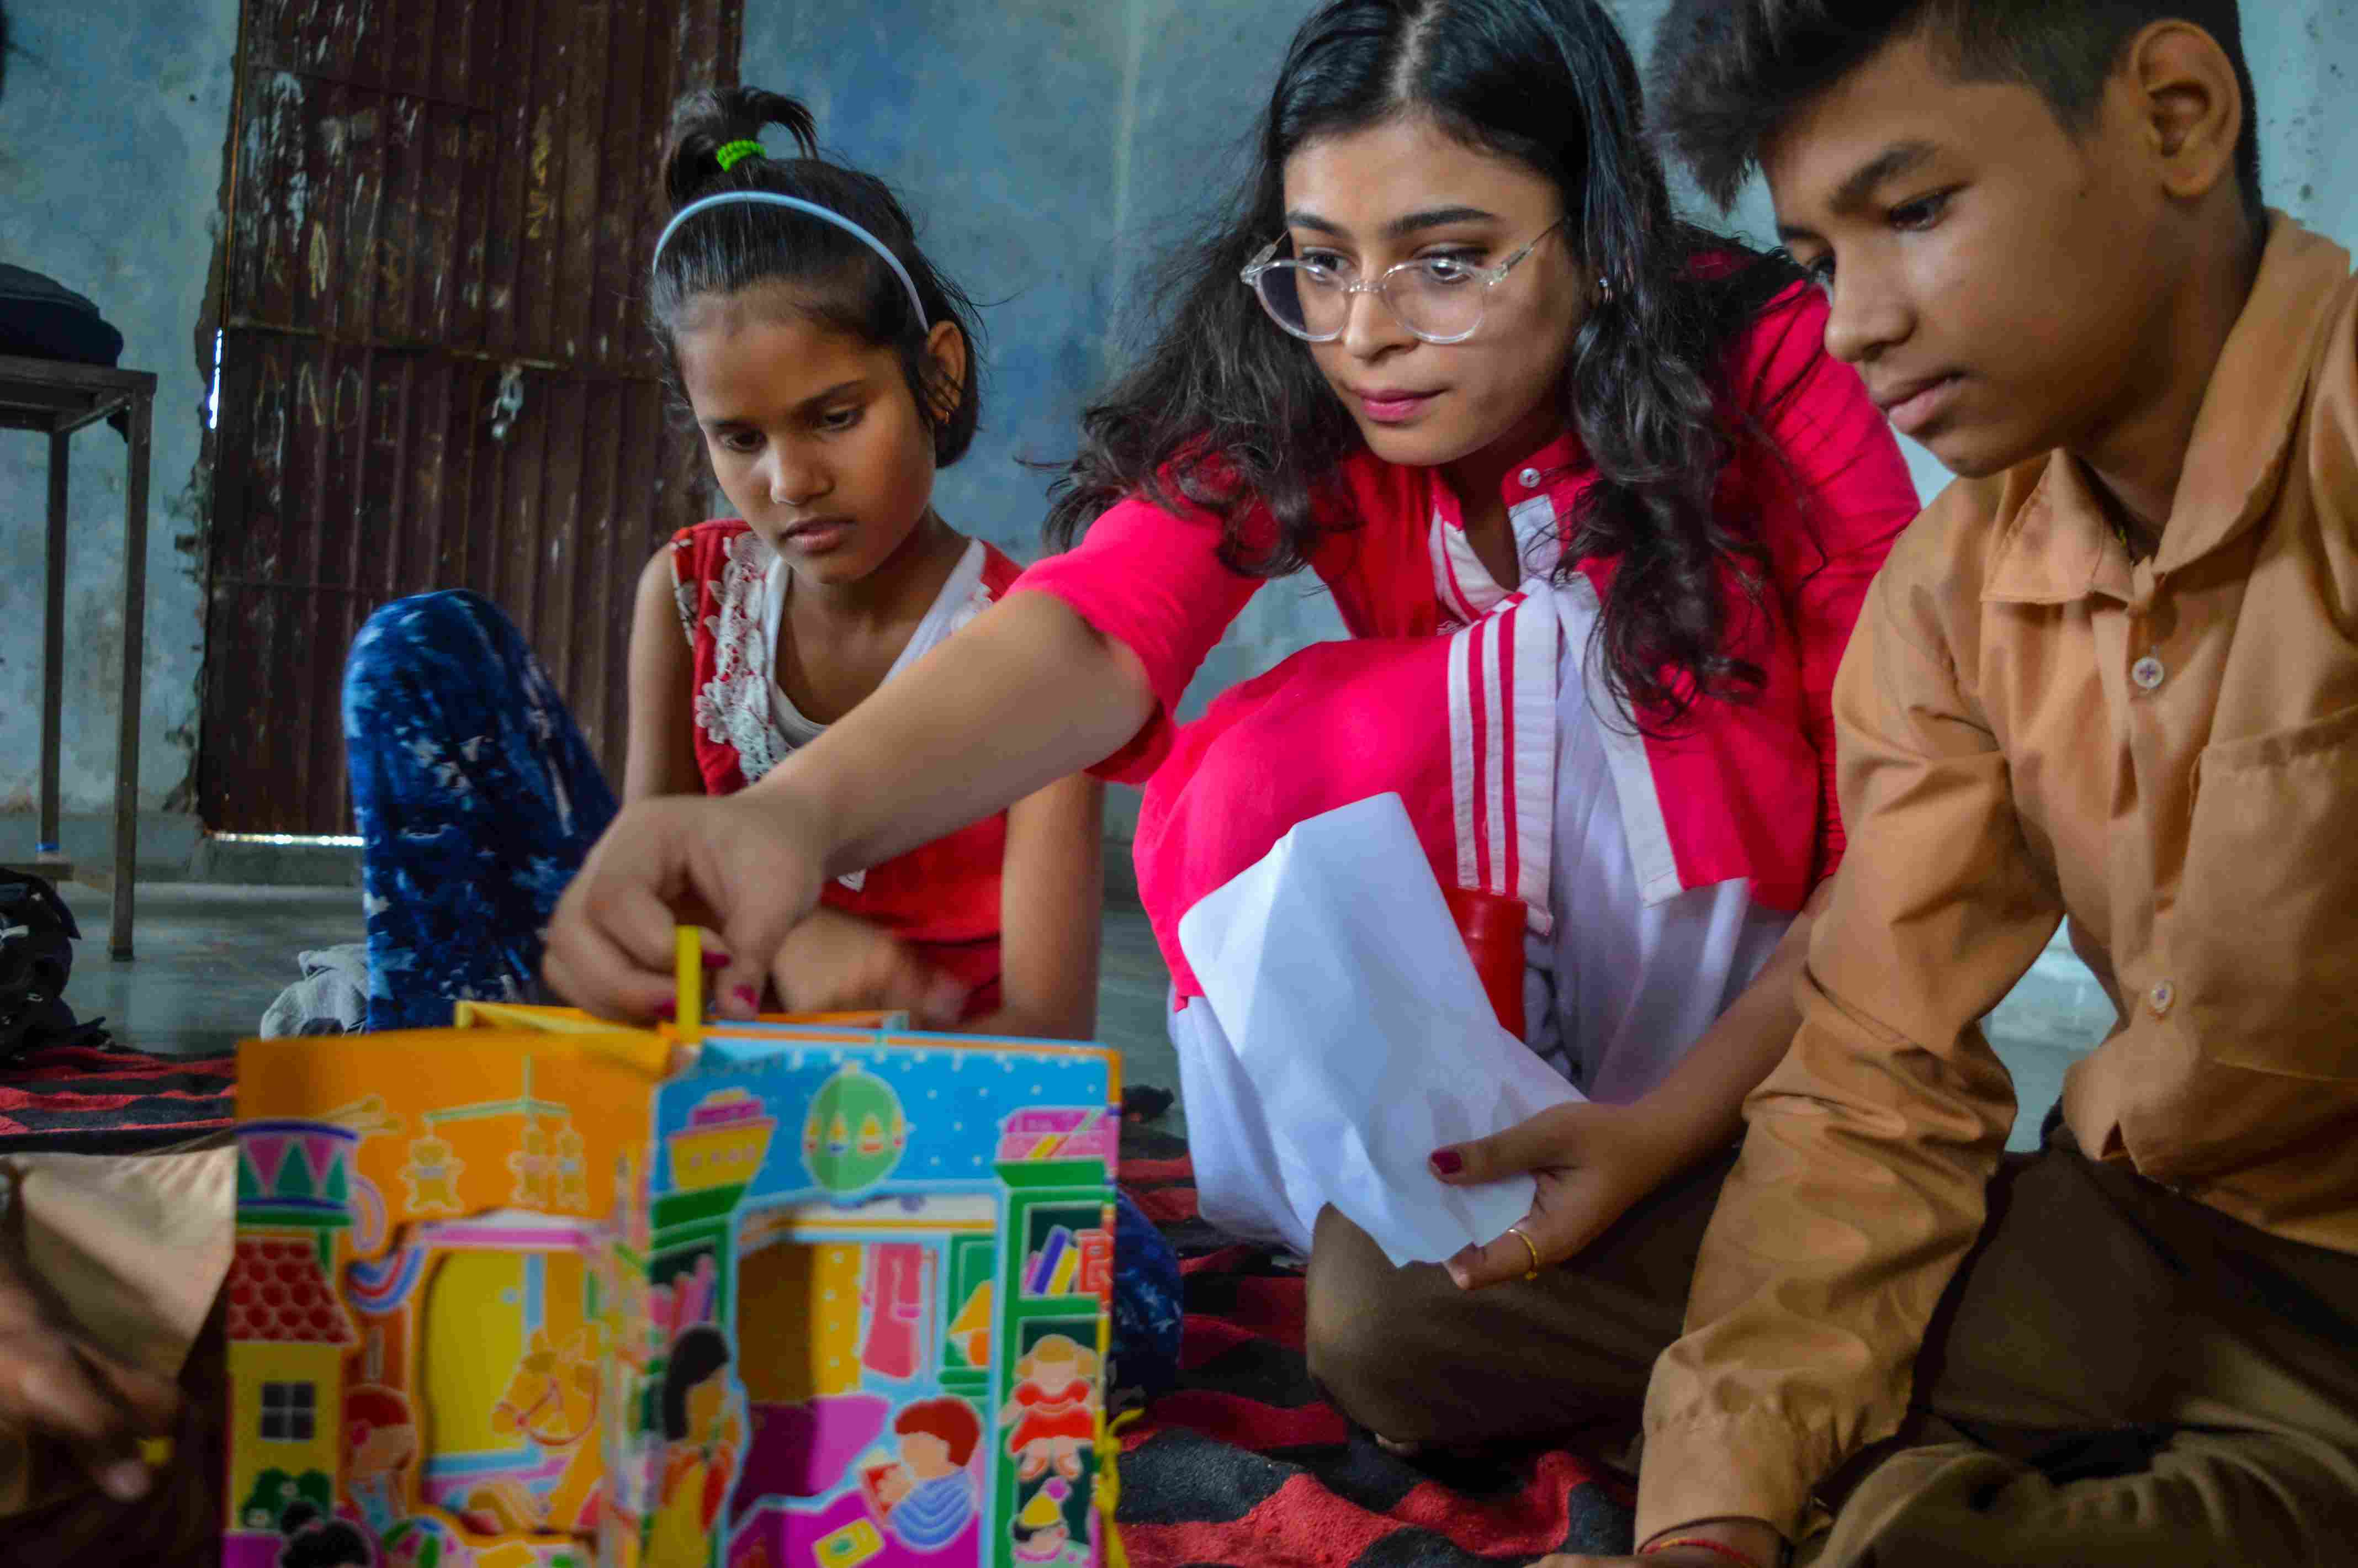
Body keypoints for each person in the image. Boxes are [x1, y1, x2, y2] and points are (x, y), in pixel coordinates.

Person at [543, 0, 1915, 1435]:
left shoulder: (1770, 363)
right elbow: (1096, 627)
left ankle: (1671, 1226)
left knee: (1481, 686)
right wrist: (787, 816)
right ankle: (1480, 1205)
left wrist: (1670, 1127)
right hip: (1511, 1050)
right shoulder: (1309, 376)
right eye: (1322, 265)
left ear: (1597, 232)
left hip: (1764, 1052)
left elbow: (1910, 834)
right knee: (1246, 789)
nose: (1370, 335)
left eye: (1447, 260)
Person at [1529, 3, 2358, 1566]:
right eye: (1821, 258)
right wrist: (1708, 1520)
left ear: (2179, 115)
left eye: (1913, 213)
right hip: (2144, 1246)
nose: (1851, 326)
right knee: (1398, 1306)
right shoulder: (1952, 587)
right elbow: (1875, 1076)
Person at [343, 84, 1104, 1043]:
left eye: (836, 417)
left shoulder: (1039, 649)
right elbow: (648, 898)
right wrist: (793, 940)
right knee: (422, 649)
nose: (790, 481)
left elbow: (1051, 1032)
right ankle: (426, 1099)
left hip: (908, 1117)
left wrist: (870, 1024)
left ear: (937, 378)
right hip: (681, 1060)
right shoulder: (692, 596)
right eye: (740, 438)